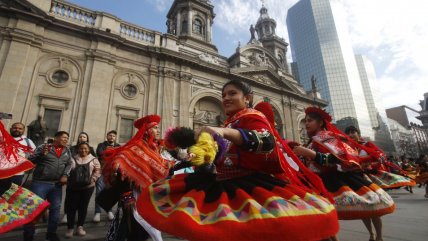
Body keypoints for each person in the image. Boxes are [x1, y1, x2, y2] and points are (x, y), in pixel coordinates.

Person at [134, 80, 339, 241]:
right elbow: (218, 157)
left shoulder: (253, 116)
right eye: (223, 95)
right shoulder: (231, 121)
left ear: (247, 97)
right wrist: (190, 156)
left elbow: (266, 141)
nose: (226, 98)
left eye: (232, 93)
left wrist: (222, 131)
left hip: (250, 187)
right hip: (223, 185)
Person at [292, 107, 395, 241]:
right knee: (323, 220)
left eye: (310, 121)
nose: (306, 124)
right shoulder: (312, 141)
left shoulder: (327, 137)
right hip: (315, 184)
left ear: (320, 123)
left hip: (330, 183)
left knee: (327, 218)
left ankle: (377, 236)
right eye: (305, 121)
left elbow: (338, 159)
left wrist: (309, 153)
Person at [100, 115, 173, 241]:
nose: (158, 131)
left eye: (158, 128)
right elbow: (120, 167)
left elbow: (163, 168)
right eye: (155, 128)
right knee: (134, 229)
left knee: (143, 230)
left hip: (148, 196)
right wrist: (126, 195)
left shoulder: (155, 149)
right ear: (147, 130)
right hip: (132, 197)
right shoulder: (135, 148)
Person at [0, 119, 49, 234]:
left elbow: (34, 155)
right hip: (3, 173)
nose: (17, 129)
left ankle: (16, 217)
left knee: (12, 195)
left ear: (23, 130)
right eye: (15, 127)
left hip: (17, 174)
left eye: (20, 128)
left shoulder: (28, 141)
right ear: (11, 129)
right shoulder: (3, 139)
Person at [23, 131, 72, 241]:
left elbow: (69, 163)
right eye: (64, 137)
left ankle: (51, 234)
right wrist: (41, 154)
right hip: (40, 183)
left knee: (55, 210)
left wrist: (65, 175)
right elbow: (30, 160)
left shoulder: (67, 150)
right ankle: (28, 235)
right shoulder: (43, 147)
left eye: (67, 138)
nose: (66, 140)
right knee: (34, 209)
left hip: (57, 185)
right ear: (56, 138)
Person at [345, 125, 415, 189]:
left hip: (370, 176)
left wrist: (366, 163)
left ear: (359, 134)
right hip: (354, 176)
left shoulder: (367, 144)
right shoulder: (345, 148)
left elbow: (381, 156)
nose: (350, 135)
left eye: (353, 132)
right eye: (348, 133)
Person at [64, 142, 100, 238]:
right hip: (73, 187)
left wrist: (93, 179)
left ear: (89, 149)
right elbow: (67, 169)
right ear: (78, 149)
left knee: (83, 207)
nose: (83, 150)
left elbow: (98, 170)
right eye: (81, 148)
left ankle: (80, 226)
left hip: (87, 188)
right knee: (72, 207)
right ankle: (70, 228)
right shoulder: (72, 159)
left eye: (85, 148)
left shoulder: (94, 159)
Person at [61, 132, 96, 224]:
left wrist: (92, 178)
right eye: (80, 136)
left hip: (86, 180)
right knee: (69, 199)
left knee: (83, 203)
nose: (82, 138)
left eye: (84, 136)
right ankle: (66, 214)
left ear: (87, 139)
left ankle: (80, 224)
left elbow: (95, 163)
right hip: (73, 179)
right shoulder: (72, 148)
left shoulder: (91, 149)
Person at [93, 130, 120, 222]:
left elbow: (119, 156)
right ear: (107, 137)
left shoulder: (118, 146)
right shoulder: (101, 145)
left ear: (115, 138)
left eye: (113, 136)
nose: (112, 137)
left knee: (110, 192)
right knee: (99, 191)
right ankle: (97, 212)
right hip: (102, 172)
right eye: (110, 135)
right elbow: (101, 153)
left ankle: (109, 210)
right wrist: (112, 152)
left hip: (113, 173)